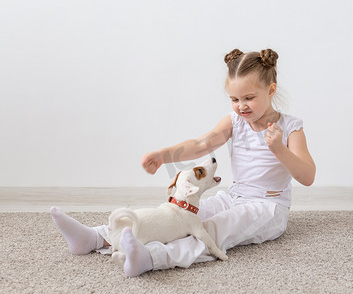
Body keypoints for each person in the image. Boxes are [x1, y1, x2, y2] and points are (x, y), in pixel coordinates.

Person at [50, 48, 316, 277]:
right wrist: (164, 155)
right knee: (178, 213)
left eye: (249, 98)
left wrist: (279, 149)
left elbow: (307, 176)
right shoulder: (235, 121)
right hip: (234, 196)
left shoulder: (291, 128)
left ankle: (151, 258)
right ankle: (98, 237)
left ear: (271, 90)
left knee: (212, 229)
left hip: (268, 207)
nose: (241, 106)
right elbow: (201, 144)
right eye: (234, 99)